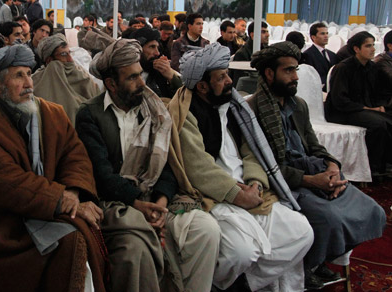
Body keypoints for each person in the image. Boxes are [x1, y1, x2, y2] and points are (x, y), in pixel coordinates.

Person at [0, 44, 107, 292]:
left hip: (49, 208)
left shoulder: (51, 112)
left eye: (29, 73)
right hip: (5, 225)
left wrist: (72, 192)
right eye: (18, 76)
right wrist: (60, 200)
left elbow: (75, 156)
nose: (29, 83)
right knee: (71, 240)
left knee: (82, 237)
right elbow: (4, 181)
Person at [76, 38, 220, 292]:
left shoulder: (153, 110)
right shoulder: (90, 114)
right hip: (118, 202)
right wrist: (139, 204)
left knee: (206, 230)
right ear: (111, 84)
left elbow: (167, 164)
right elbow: (102, 175)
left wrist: (162, 203)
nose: (141, 83)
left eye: (140, 75)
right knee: (135, 251)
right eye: (132, 78)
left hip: (158, 199)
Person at [173, 42, 314, 291]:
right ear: (202, 86)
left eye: (227, 74)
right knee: (241, 252)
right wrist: (238, 194)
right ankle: (229, 281)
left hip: (250, 189)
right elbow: (199, 168)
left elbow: (251, 151)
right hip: (216, 196)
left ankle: (244, 283)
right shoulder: (187, 113)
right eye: (222, 77)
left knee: (302, 232)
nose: (230, 81)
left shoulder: (233, 106)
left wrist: (256, 182)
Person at [248, 41, 386, 289]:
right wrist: (311, 181)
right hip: (284, 182)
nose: (295, 77)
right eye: (288, 71)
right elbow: (264, 164)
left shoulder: (297, 105)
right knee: (328, 219)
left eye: (296, 70)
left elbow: (314, 145)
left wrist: (332, 165)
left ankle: (320, 258)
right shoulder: (252, 110)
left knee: (372, 210)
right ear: (269, 73)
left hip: (314, 172)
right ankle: (310, 265)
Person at [325, 31, 392, 174]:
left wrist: (381, 106)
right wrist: (366, 107)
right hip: (343, 111)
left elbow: (379, 92)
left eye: (373, 45)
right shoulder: (343, 68)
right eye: (368, 46)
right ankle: (373, 167)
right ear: (357, 49)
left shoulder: (372, 67)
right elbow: (339, 99)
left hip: (365, 109)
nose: (373, 49)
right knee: (378, 124)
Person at [32, 34, 100, 123]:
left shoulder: (80, 74)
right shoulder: (36, 81)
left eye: (69, 53)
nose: (70, 59)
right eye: (63, 54)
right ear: (49, 60)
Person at [125, 27, 182, 98]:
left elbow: (181, 98)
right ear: (137, 49)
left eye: (157, 48)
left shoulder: (159, 72)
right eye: (152, 47)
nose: (157, 53)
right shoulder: (125, 74)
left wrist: (171, 77)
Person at [232, 21, 269, 86]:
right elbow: (240, 83)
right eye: (263, 32)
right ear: (252, 35)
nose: (267, 35)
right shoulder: (242, 54)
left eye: (267, 31)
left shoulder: (266, 51)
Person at [302, 23, 337, 91]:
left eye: (327, 33)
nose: (326, 36)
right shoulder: (308, 55)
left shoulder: (332, 55)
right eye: (322, 34)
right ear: (313, 37)